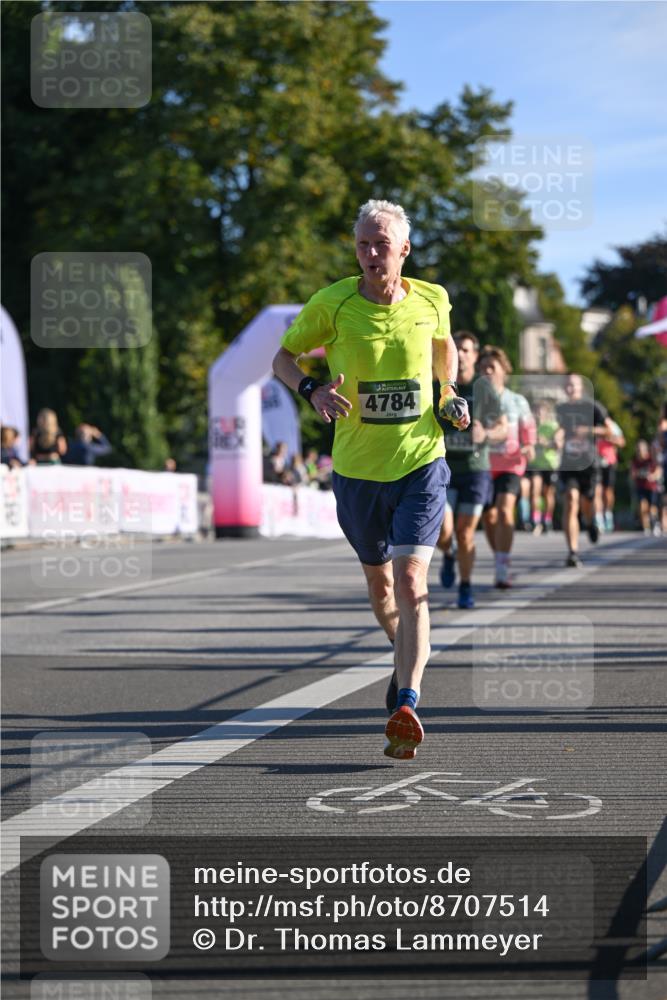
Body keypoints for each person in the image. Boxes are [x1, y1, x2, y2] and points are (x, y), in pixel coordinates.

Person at [272, 199, 469, 760]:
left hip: (420, 461)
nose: (370, 253)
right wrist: (311, 390)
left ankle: (407, 700)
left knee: (411, 584)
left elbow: (444, 351)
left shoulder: (432, 299)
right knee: (383, 592)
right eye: (362, 244)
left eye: (381, 244)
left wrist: (449, 394)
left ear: (404, 249)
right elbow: (282, 359)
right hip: (357, 471)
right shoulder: (331, 303)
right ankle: (401, 646)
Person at [435, 331, 506, 608]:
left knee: (465, 533)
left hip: (476, 469)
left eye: (467, 350)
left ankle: (466, 586)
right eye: (457, 349)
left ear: (475, 356)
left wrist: (486, 433)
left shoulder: (483, 388)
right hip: (445, 469)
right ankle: (449, 554)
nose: (461, 354)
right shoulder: (438, 386)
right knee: (444, 532)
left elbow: (502, 428)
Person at [479, 347, 536, 588]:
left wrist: (530, 445)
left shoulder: (517, 400)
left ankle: (502, 566)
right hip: (483, 465)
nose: (487, 372)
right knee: (489, 518)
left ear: (504, 371)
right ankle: (499, 556)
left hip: (512, 464)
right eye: (483, 368)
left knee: (504, 511)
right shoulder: (476, 399)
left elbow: (528, 427)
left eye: (492, 367)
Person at [555, 373, 614, 567]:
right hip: (568, 463)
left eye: (574, 385)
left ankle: (590, 523)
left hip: (589, 464)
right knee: (571, 501)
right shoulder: (561, 409)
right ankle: (572, 551)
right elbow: (557, 429)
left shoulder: (593, 407)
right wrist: (557, 436)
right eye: (568, 385)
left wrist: (588, 430)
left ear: (581, 388)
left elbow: (609, 431)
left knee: (588, 503)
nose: (570, 388)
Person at [524, 400, 560, 534]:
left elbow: (558, 445)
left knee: (548, 494)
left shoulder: (553, 426)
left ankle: (547, 519)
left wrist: (545, 442)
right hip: (535, 464)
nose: (539, 414)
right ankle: (535, 519)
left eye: (541, 411)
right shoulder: (531, 427)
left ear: (547, 413)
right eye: (536, 411)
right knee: (535, 490)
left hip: (550, 464)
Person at [596, 416, 625, 532]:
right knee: (597, 490)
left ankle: (607, 514)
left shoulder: (612, 425)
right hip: (595, 462)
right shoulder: (590, 424)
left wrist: (609, 438)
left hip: (609, 462)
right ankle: (598, 518)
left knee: (607, 491)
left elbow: (622, 442)